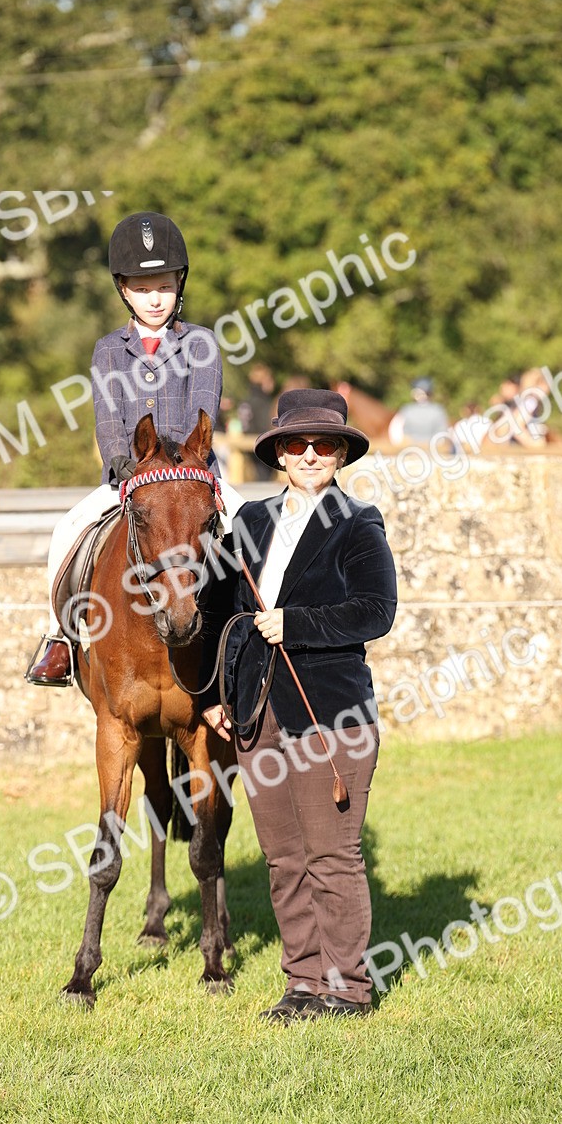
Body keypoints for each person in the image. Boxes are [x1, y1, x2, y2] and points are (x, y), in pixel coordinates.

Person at [200, 388, 398, 1022]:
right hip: (257, 713)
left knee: (331, 855)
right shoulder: (250, 523)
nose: (309, 454)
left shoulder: (359, 521)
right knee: (284, 859)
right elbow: (223, 615)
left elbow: (376, 611)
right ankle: (303, 983)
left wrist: (298, 624)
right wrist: (218, 695)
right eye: (296, 443)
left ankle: (349, 991)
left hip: (330, 713)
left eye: (323, 444)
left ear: (340, 452)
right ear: (279, 452)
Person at [27, 211, 243, 686]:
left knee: (251, 527)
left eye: (164, 287)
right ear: (123, 289)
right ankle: (59, 640)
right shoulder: (108, 350)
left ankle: (260, 628)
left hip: (192, 476)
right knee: (67, 529)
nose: (155, 299)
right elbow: (107, 418)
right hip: (131, 477)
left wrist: (184, 466)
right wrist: (119, 460)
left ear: (179, 284)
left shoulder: (201, 343)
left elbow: (202, 416)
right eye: (143, 289)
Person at [388, 376, 449, 445]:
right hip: (432, 450)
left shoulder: (406, 410)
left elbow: (396, 433)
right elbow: (442, 435)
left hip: (410, 450)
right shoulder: (438, 410)